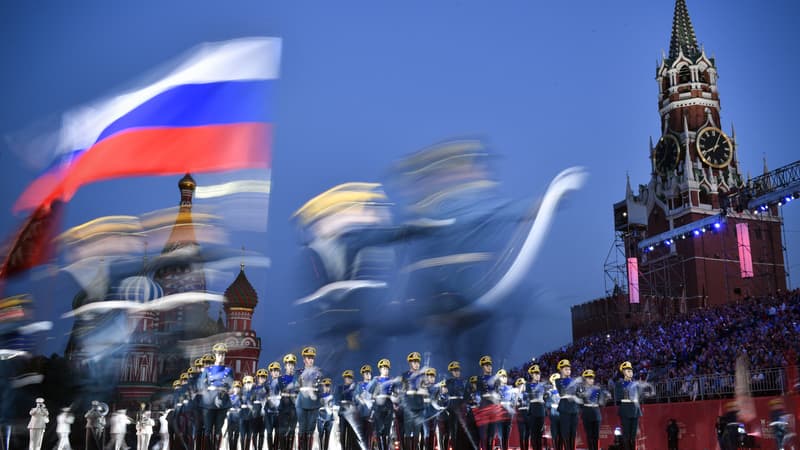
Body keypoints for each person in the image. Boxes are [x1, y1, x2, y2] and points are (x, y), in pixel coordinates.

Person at [197, 343, 234, 450]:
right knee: (208, 430)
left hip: (222, 403)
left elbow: (230, 386)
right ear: (215, 355)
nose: (221, 356)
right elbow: (201, 386)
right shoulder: (207, 370)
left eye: (223, 354)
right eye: (219, 354)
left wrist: (223, 390)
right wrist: (210, 389)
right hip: (209, 403)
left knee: (218, 430)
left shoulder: (228, 371)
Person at [296, 346, 323, 450]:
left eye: (312, 357)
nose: (310, 360)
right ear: (304, 359)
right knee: (302, 429)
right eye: (308, 357)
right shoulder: (299, 372)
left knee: (311, 430)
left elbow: (321, 388)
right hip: (301, 403)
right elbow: (295, 385)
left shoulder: (319, 372)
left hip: (314, 404)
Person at [370, 358, 396, 450]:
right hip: (378, 406)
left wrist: (395, 397)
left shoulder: (392, 380)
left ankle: (386, 448)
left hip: (388, 406)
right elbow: (369, 391)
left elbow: (396, 393)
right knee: (378, 430)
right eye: (383, 368)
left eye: (387, 368)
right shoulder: (376, 380)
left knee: (387, 430)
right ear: (380, 369)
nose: (385, 370)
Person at [401, 352, 425, 450]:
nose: (416, 364)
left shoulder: (423, 376)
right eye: (414, 362)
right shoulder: (405, 375)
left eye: (417, 362)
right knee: (407, 432)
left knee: (417, 432)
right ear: (410, 363)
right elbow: (403, 390)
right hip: (409, 408)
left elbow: (424, 390)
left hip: (419, 407)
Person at [614, 361, 641, 450]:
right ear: (623, 372)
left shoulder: (636, 384)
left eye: (631, 370)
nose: (630, 372)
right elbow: (618, 397)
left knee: (633, 435)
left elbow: (640, 397)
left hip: (635, 411)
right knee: (626, 435)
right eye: (627, 370)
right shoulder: (619, 384)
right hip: (625, 410)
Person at [554, 360, 579, 450]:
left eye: (569, 369)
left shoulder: (574, 381)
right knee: (566, 432)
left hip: (574, 408)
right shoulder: (558, 381)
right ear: (560, 370)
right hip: (564, 407)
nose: (568, 371)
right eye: (565, 369)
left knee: (573, 432)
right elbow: (562, 391)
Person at [443, 361, 467, 450]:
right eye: (455, 370)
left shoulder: (464, 382)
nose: (457, 372)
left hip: (461, 409)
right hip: (452, 409)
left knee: (461, 432)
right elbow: (446, 394)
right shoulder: (448, 382)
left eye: (458, 370)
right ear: (451, 372)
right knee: (452, 431)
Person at [277, 354, 298, 450]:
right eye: (289, 364)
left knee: (292, 431)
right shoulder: (280, 379)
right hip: (283, 409)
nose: (291, 366)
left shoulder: (297, 379)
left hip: (294, 409)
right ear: (285, 366)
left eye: (292, 364)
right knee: (282, 432)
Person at [578, 370, 603, 450]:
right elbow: (579, 401)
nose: (591, 380)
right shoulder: (581, 389)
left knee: (596, 435)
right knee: (589, 435)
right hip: (587, 413)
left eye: (592, 378)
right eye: (588, 378)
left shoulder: (598, 389)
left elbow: (600, 401)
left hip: (596, 413)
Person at [335, 370, 357, 450]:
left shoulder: (355, 389)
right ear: (344, 378)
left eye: (350, 377)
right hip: (343, 414)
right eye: (347, 377)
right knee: (343, 432)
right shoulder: (339, 388)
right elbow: (337, 399)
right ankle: (343, 448)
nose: (349, 379)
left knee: (351, 434)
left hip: (352, 414)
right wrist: (348, 390)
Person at [526, 365, 546, 450]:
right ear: (532, 375)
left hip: (541, 410)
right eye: (536, 374)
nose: (538, 375)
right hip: (533, 410)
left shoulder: (542, 386)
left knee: (540, 434)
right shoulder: (528, 385)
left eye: (539, 374)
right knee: (534, 434)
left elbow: (544, 398)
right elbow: (531, 396)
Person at [265, 362, 282, 450]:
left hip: (278, 412)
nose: (275, 372)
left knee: (278, 432)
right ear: (270, 372)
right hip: (269, 412)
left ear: (279, 372)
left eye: (277, 370)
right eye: (273, 370)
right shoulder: (267, 384)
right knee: (269, 433)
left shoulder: (281, 383)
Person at [317, 378, 335, 450]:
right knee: (320, 436)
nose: (327, 387)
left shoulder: (332, 397)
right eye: (325, 385)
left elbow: (332, 407)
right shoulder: (319, 396)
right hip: (320, 418)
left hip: (329, 419)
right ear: (323, 386)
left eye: (328, 386)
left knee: (327, 436)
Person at [514, 378, 529, 450]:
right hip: (520, 415)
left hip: (528, 414)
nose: (522, 386)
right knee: (522, 434)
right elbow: (515, 404)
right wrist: (518, 391)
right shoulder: (515, 394)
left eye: (523, 384)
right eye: (520, 385)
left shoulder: (528, 393)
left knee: (528, 435)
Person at [227, 380, 242, 450]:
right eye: (235, 387)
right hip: (230, 418)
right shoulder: (229, 397)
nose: (237, 388)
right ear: (233, 388)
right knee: (230, 435)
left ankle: (234, 448)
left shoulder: (241, 397)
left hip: (238, 418)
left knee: (236, 435)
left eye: (238, 387)